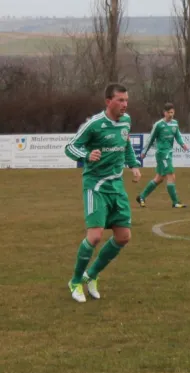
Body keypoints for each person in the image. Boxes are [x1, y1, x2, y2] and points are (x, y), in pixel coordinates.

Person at [64, 83, 142, 303]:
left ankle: (92, 275)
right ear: (108, 101)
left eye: (126, 100)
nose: (124, 104)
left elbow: (126, 144)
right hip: (95, 185)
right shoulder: (94, 124)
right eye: (120, 100)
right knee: (95, 235)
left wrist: (133, 165)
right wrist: (87, 155)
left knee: (123, 236)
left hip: (116, 186)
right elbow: (70, 147)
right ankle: (76, 281)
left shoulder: (126, 121)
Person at [136, 103, 189, 208]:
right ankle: (175, 202)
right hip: (162, 154)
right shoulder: (158, 125)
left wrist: (182, 144)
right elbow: (151, 139)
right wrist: (144, 152)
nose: (171, 114)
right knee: (171, 175)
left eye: (172, 112)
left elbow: (177, 135)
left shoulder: (175, 124)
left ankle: (141, 196)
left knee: (159, 178)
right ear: (164, 113)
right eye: (169, 112)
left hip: (169, 153)